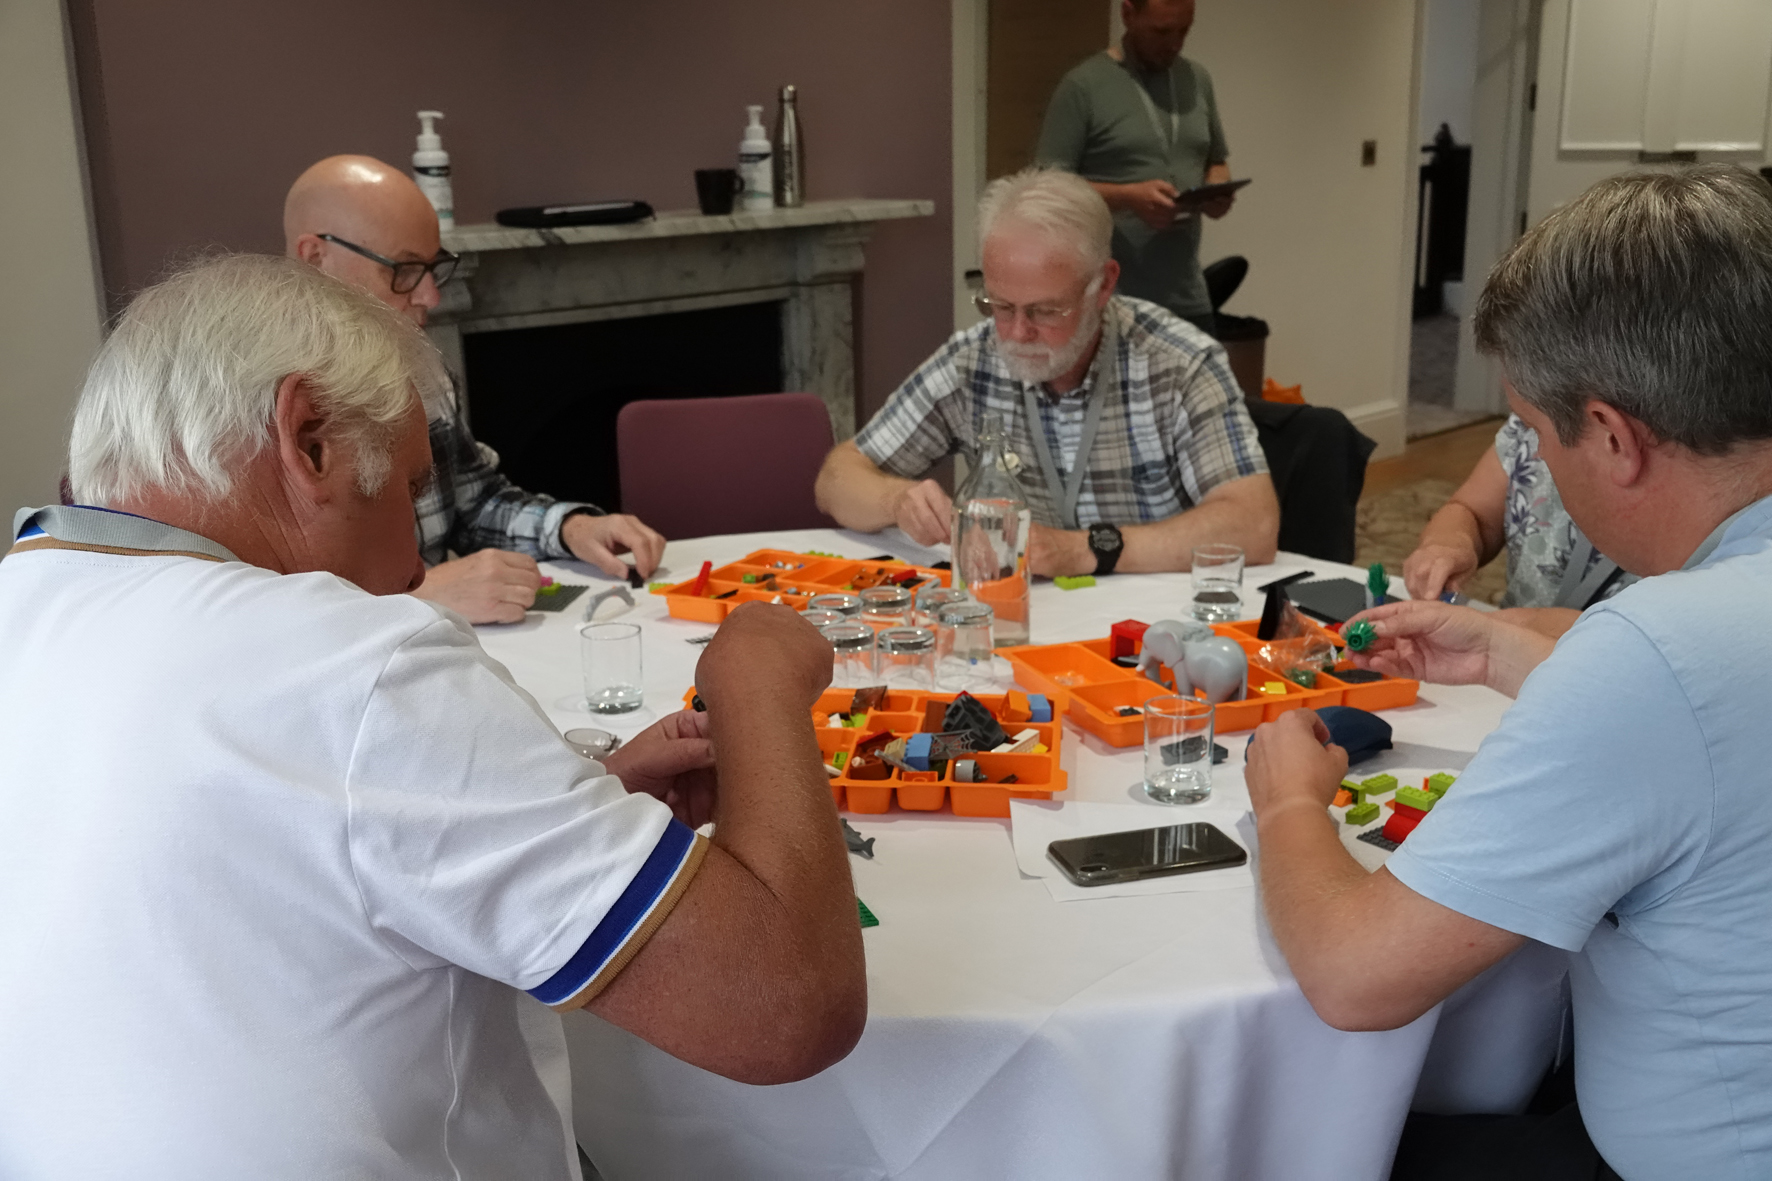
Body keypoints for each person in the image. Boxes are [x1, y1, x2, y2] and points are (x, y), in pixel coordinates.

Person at [0, 254, 865, 1177]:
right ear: (311, 440)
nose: (417, 563)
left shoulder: (29, 608)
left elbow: (250, 881)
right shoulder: (354, 661)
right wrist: (756, 683)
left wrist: (561, 804)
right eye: (412, 493)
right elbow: (786, 1007)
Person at [1245, 165, 1772, 1179]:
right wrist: (1504, 647)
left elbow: (1355, 978)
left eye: (1532, 430)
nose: (1530, 456)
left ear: (1612, 437)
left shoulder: (1654, 649)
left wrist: (1285, 805)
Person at [815, 166, 1276, 577]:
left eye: (1046, 311)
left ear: (1104, 284)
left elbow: (1252, 524)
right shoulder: (973, 361)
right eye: (1000, 306)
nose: (1017, 333)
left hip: (1157, 629)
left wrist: (1081, 551)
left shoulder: (1179, 362)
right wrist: (897, 501)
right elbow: (836, 480)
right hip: (1027, 623)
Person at [285, 155, 665, 624]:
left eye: (433, 267)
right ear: (314, 257)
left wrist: (571, 528)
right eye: (403, 269)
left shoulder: (419, 367)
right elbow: (251, 616)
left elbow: (474, 501)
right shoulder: (238, 409)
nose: (431, 296)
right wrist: (416, 597)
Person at [1036, 0, 1235, 333]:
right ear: (1128, 14)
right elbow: (1047, 188)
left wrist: (1218, 190)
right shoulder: (1083, 86)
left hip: (1187, 297)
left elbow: (1216, 160)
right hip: (1111, 301)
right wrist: (1128, 197)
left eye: (1184, 30)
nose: (1174, 43)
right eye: (1161, 31)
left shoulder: (1197, 79)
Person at [1403, 411, 1637, 637]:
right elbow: (1471, 510)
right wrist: (1449, 542)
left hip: (1613, 667)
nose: (1541, 449)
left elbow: (1656, 643)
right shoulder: (1530, 423)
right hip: (1507, 647)